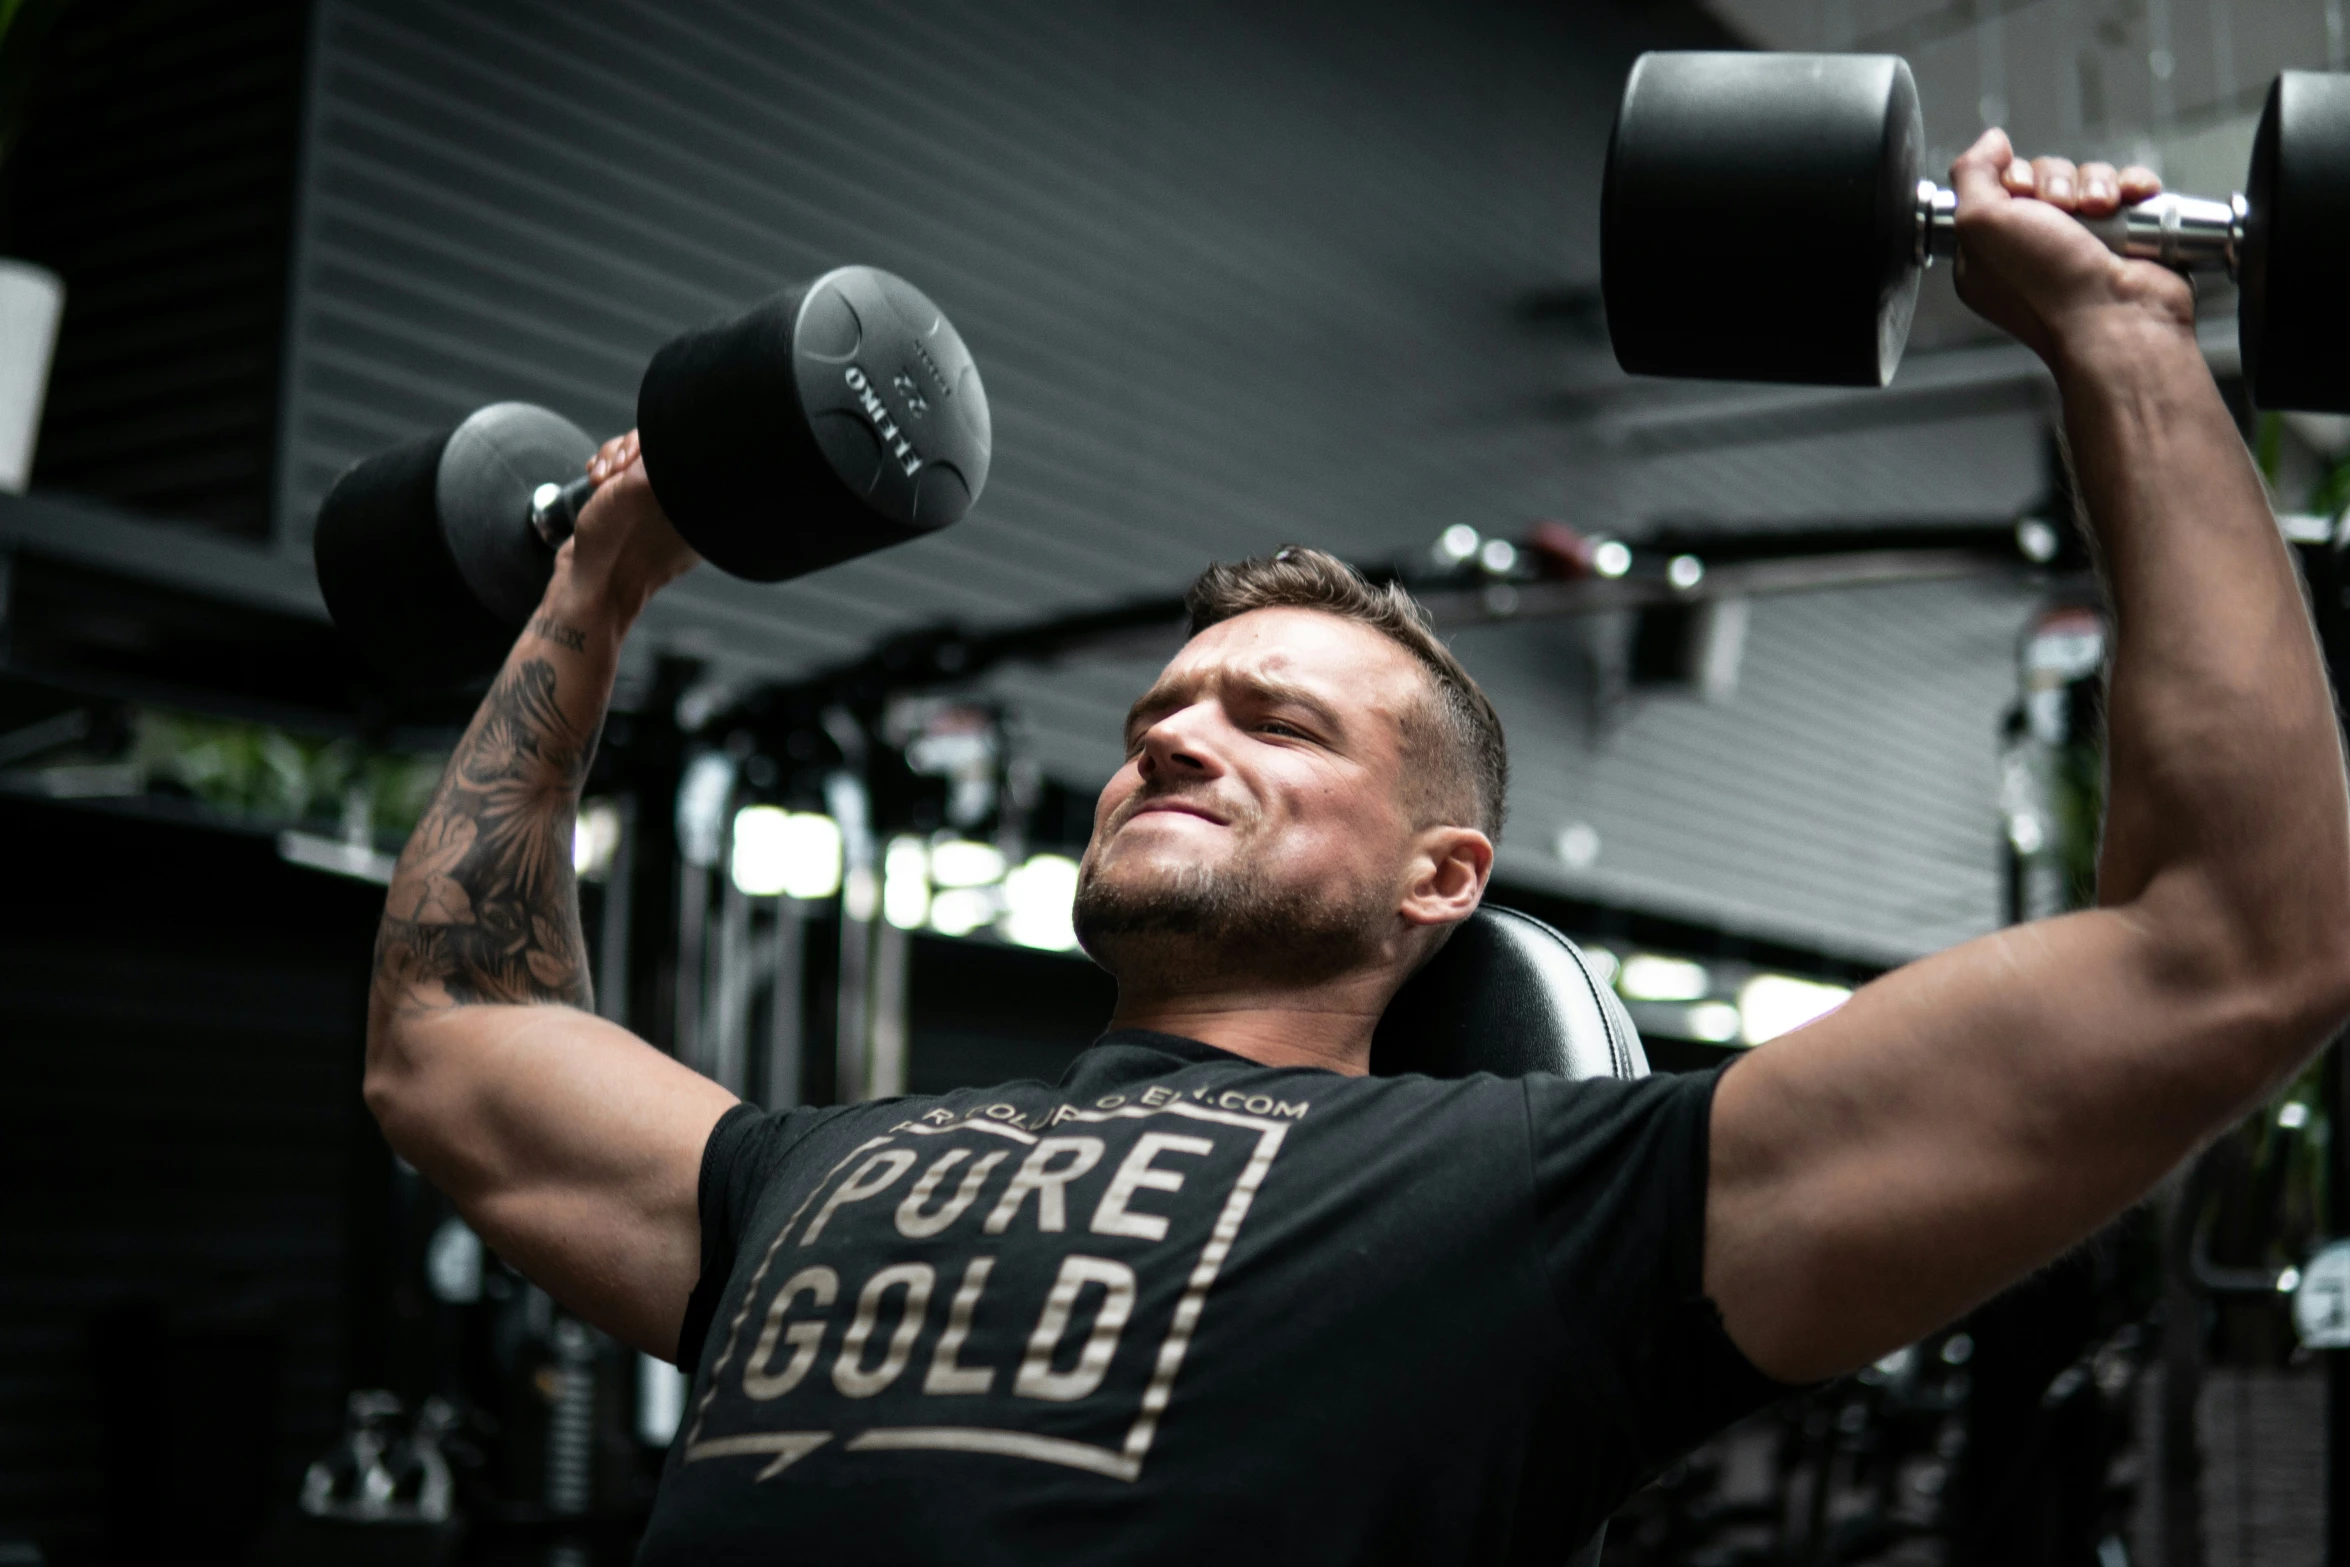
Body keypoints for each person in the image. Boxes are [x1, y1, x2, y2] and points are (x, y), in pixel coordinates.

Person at [361, 130, 2350, 1565]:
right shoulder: (818, 1170)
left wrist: (2116, 339)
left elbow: (2221, 948)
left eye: (1273, 720)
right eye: (1156, 717)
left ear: (1441, 878)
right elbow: (450, 1032)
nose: (1174, 737)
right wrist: (595, 593)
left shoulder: (1546, 1207)